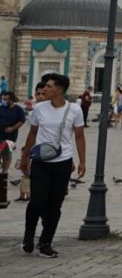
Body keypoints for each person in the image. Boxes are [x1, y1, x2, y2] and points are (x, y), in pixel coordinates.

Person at [19, 73, 86, 258]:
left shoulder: (75, 110)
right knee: (37, 201)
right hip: (41, 161)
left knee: (55, 205)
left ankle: (46, 242)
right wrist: (25, 157)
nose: (44, 89)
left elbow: (79, 136)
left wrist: (82, 161)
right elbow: (32, 133)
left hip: (63, 161)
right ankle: (28, 235)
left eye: (49, 86)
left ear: (59, 89)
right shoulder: (39, 109)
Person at [1, 90, 26, 178]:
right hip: (0, 135)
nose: (4, 101)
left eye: (6, 99)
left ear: (11, 100)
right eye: (3, 99)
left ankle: (5, 171)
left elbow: (22, 120)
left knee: (7, 154)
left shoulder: (18, 110)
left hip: (10, 137)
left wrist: (12, 128)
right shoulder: (2, 108)